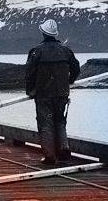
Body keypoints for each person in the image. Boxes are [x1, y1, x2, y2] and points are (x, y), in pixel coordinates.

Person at [25, 19, 80, 165]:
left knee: (45, 123)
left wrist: (30, 91)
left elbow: (29, 74)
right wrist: (69, 81)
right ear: (55, 34)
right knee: (60, 121)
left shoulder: (36, 52)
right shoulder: (66, 50)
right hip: (62, 93)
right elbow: (76, 69)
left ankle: (49, 156)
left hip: (43, 95)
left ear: (43, 33)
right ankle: (63, 150)